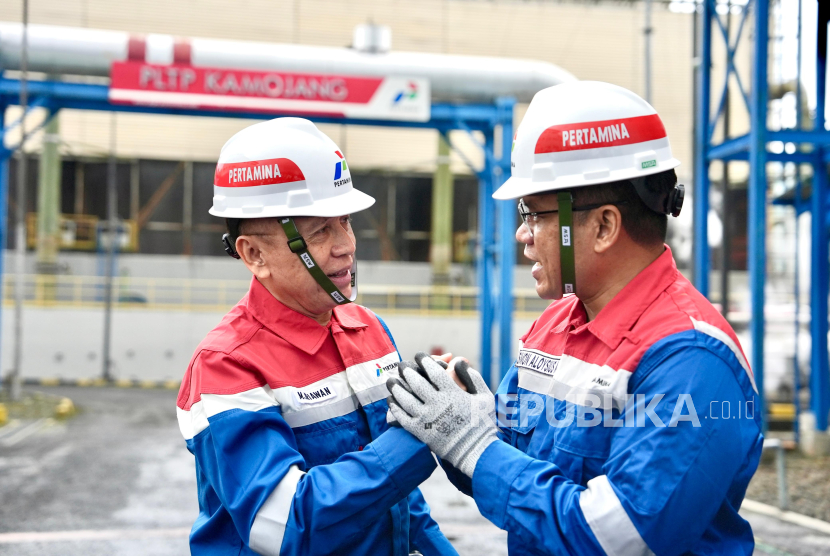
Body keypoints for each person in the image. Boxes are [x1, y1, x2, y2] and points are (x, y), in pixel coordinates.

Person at [387, 81, 763, 555]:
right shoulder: (557, 324)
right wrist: (465, 425)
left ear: (604, 225)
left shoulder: (690, 359)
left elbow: (618, 539)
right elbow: (505, 479)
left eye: (535, 213)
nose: (523, 234)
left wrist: (475, 446)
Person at [176, 117, 456, 556]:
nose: (346, 244)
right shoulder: (226, 366)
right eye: (321, 231)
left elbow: (400, 501)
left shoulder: (369, 330)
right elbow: (283, 524)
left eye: (345, 221)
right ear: (254, 254)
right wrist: (422, 433)